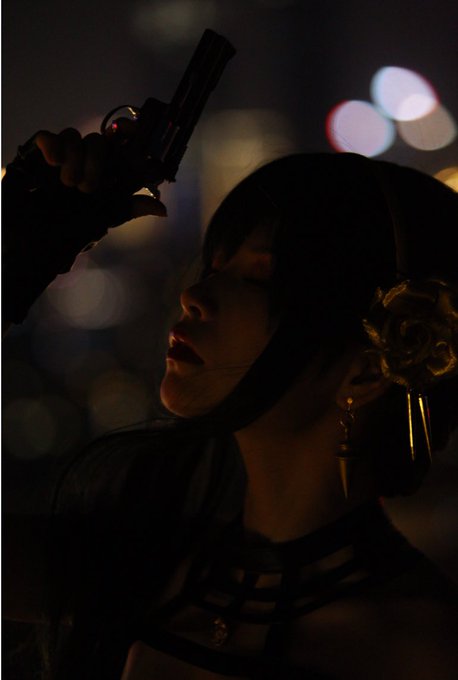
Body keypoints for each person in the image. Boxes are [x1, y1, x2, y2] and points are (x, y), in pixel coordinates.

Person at [2, 123, 458, 680]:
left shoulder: (424, 650)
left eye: (260, 279)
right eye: (216, 267)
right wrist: (15, 256)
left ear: (364, 371)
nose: (193, 295)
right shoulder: (135, 568)